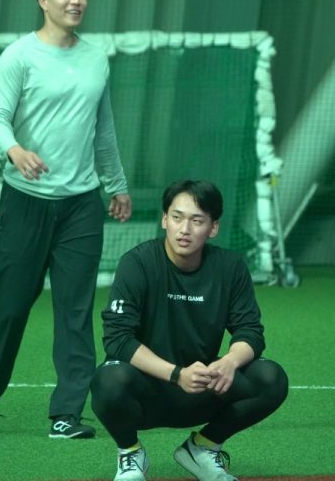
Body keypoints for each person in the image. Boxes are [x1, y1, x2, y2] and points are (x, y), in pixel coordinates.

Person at [0, 0, 132, 439]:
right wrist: (15, 150)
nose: (76, 0)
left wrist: (115, 183)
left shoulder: (97, 59)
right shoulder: (18, 57)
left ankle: (66, 414)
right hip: (25, 204)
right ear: (43, 0)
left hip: (81, 207)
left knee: (76, 312)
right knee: (10, 307)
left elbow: (103, 127)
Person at [91, 180, 288, 480]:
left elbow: (250, 331)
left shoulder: (229, 267)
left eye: (197, 221)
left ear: (213, 227)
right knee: (107, 380)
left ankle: (203, 448)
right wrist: (176, 374)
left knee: (270, 377)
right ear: (164, 220)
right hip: (147, 390)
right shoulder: (137, 263)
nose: (184, 229)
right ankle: (130, 453)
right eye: (177, 217)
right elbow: (117, 339)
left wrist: (229, 362)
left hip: (202, 386)